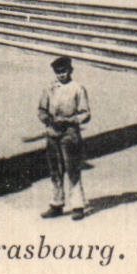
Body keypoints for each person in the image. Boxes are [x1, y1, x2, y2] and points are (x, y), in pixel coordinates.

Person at [39, 56, 92, 220]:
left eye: (64, 71)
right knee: (55, 169)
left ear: (70, 71)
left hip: (70, 134)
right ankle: (56, 203)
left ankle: (77, 205)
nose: (61, 75)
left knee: (72, 169)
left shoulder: (78, 88)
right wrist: (47, 119)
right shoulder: (49, 88)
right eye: (58, 72)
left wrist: (70, 120)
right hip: (53, 133)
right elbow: (41, 109)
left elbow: (85, 113)